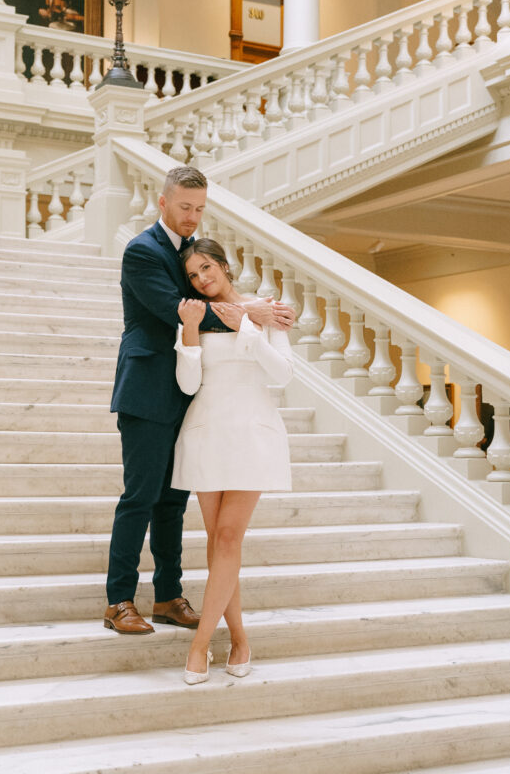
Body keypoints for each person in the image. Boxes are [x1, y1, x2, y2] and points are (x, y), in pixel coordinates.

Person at [104, 166, 295, 635]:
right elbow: (179, 312)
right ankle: (119, 600)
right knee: (140, 496)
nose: (192, 217)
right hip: (147, 389)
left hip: (189, 395)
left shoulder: (191, 255)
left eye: (200, 209)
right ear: (163, 203)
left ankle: (169, 595)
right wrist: (253, 310)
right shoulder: (142, 251)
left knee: (172, 502)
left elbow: (204, 305)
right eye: (184, 207)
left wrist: (254, 312)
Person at [173, 237, 294, 684]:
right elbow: (188, 385)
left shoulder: (264, 311)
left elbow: (282, 373)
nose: (203, 279)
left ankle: (200, 645)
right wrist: (188, 331)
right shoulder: (193, 315)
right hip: (206, 433)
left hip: (252, 434)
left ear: (224, 265)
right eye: (194, 275)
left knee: (226, 539)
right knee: (221, 547)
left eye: (207, 268)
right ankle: (240, 639)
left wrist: (246, 326)